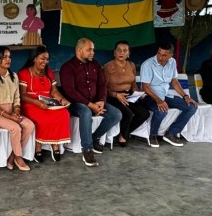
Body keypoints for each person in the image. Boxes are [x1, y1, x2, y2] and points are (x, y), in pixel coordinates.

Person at [59, 38, 121, 166]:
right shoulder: (68, 67)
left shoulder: (96, 65)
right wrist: (90, 105)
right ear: (79, 50)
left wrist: (101, 101)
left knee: (116, 114)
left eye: (93, 49)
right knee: (86, 112)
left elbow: (102, 84)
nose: (92, 52)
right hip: (75, 103)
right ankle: (87, 149)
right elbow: (71, 92)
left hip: (95, 101)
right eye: (89, 50)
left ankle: (95, 137)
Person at [137, 40, 197, 147]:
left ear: (171, 55)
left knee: (191, 106)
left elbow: (174, 81)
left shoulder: (172, 62)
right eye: (159, 54)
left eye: (164, 55)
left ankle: (171, 133)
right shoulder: (148, 64)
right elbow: (145, 87)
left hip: (165, 95)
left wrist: (185, 96)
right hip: (149, 97)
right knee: (162, 111)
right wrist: (159, 101)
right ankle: (152, 135)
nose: (160, 57)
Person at [18, 45, 72, 161]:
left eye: (47, 59)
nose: (45, 62)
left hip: (48, 103)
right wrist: (37, 103)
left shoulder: (48, 72)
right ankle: (38, 147)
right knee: (44, 119)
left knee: (64, 114)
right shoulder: (24, 73)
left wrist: (62, 99)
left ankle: (55, 143)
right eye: (42, 58)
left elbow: (54, 91)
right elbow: (22, 95)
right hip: (30, 104)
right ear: (34, 58)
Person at [0, 46, 35, 171]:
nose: (8, 60)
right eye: (4, 57)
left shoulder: (13, 76)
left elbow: (17, 97)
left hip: (11, 111)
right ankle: (19, 157)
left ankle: (12, 156)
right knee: (15, 128)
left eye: (9, 57)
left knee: (30, 125)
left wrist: (17, 111)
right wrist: (10, 117)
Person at [102, 40, 150, 147]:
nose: (121, 53)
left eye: (124, 51)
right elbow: (103, 87)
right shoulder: (108, 66)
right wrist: (116, 95)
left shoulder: (131, 65)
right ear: (114, 52)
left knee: (144, 113)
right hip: (113, 96)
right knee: (128, 114)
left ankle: (123, 133)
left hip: (129, 96)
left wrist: (138, 93)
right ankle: (123, 137)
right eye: (118, 50)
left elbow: (133, 83)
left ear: (128, 53)